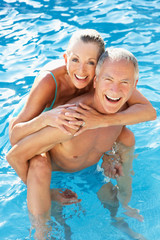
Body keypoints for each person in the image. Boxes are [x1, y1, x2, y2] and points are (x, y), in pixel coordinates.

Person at [6, 48, 156, 239]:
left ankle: (121, 216)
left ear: (134, 85)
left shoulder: (124, 108)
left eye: (124, 82)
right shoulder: (73, 119)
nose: (115, 90)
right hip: (54, 176)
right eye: (108, 80)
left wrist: (109, 154)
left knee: (126, 141)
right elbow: (14, 155)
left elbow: (150, 113)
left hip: (87, 168)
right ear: (96, 81)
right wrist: (50, 193)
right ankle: (41, 232)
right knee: (40, 167)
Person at [9, 29, 156, 150]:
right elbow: (15, 136)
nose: (81, 70)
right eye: (75, 60)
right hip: (40, 114)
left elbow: (149, 112)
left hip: (74, 120)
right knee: (39, 163)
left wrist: (102, 121)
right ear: (66, 59)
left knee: (126, 135)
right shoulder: (49, 81)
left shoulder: (105, 79)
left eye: (90, 62)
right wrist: (44, 119)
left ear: (100, 65)